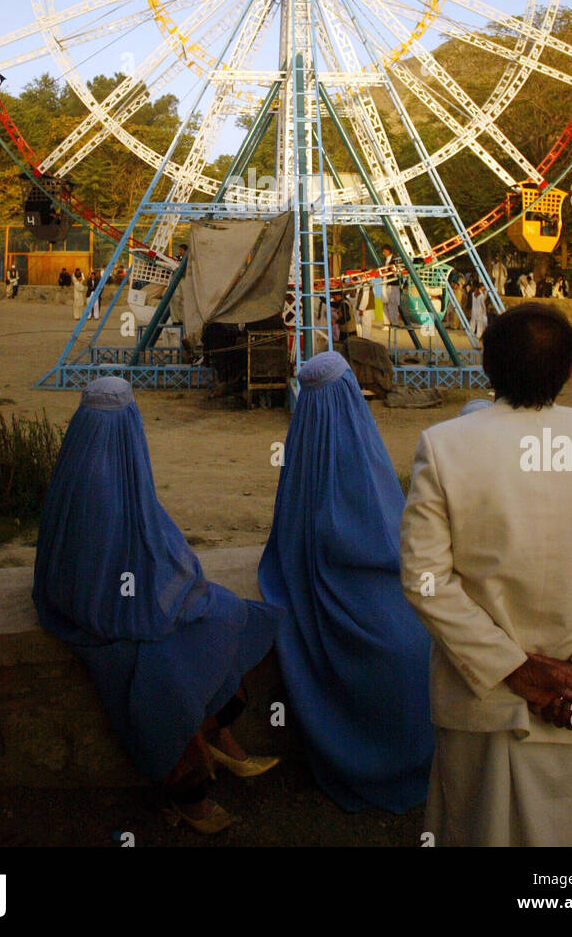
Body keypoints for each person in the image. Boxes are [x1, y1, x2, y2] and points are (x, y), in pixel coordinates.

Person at [400, 303, 572, 847]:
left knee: (482, 826)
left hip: (487, 705)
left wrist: (513, 669)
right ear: (569, 369)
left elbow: (424, 578)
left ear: (487, 364)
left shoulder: (446, 447)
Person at [33, 377, 279, 835]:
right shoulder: (107, 480)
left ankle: (219, 738)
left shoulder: (80, 461)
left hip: (100, 605)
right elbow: (128, 575)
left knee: (212, 616)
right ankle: (193, 787)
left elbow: (141, 547)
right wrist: (174, 589)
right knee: (190, 650)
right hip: (107, 621)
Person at [258, 351, 434, 813]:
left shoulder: (302, 453)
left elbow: (290, 541)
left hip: (326, 594)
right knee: (416, 646)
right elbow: (383, 539)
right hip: (373, 596)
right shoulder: (361, 448)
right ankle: (403, 764)